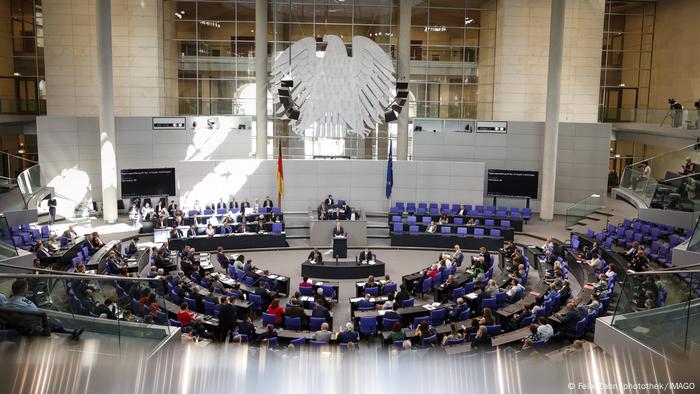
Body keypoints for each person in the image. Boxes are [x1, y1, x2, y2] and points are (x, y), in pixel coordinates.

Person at [2, 279, 84, 339]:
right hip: (32, 328)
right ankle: (70, 332)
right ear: (24, 290)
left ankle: (70, 331)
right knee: (54, 323)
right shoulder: (28, 305)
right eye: (27, 287)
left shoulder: (5, 304)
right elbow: (36, 316)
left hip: (16, 327)